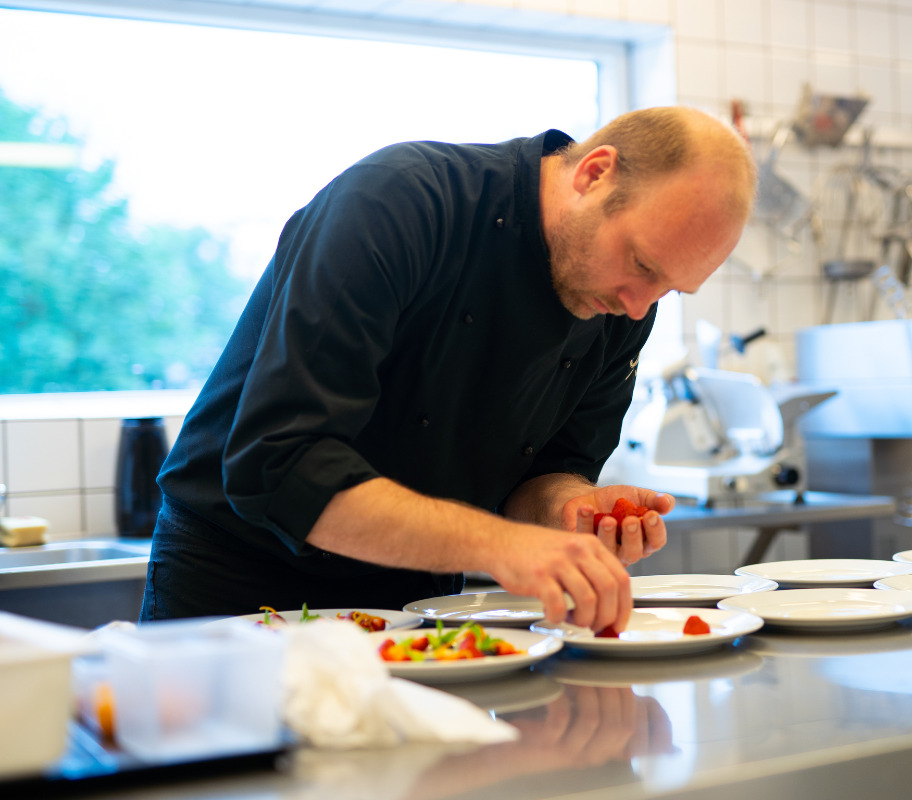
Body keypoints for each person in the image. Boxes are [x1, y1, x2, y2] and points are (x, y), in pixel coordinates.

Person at [140, 106, 756, 633]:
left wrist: (575, 510)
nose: (639, 306)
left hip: (414, 598)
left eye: (668, 289)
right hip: (238, 584)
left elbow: (545, 476)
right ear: (594, 174)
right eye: (642, 264)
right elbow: (279, 465)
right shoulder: (397, 202)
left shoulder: (621, 305)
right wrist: (502, 546)